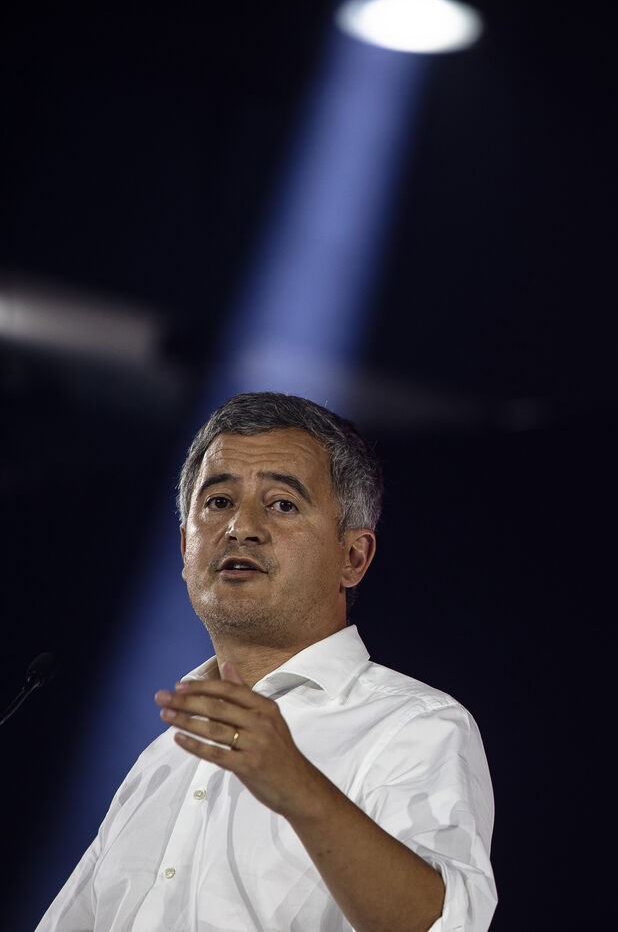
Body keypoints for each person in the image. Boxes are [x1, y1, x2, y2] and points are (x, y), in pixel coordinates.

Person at [39, 392, 496, 932]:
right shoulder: (161, 761)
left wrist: (297, 785)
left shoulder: (416, 727)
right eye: (218, 502)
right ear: (184, 548)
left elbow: (445, 924)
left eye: (282, 504)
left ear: (353, 557)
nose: (241, 527)